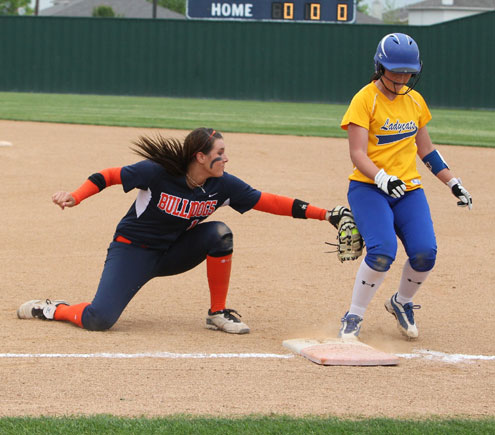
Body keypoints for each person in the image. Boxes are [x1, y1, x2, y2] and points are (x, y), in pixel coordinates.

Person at [18, 127, 358, 334]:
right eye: (220, 153)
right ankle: (51, 308)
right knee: (99, 319)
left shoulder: (222, 185)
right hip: (132, 250)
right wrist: (74, 196)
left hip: (173, 253)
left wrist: (324, 214)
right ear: (199, 156)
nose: (226, 159)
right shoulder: (157, 173)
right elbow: (108, 175)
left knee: (220, 233)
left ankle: (218, 313)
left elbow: (267, 201)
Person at [338, 33, 472, 341]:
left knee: (425, 253)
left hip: (408, 190)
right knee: (383, 250)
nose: (401, 77)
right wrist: (382, 177)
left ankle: (402, 302)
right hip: (369, 188)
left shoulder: (414, 101)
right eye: (395, 70)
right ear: (379, 66)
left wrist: (452, 181)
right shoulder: (364, 99)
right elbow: (357, 154)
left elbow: (426, 150)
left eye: (407, 71)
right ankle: (354, 315)